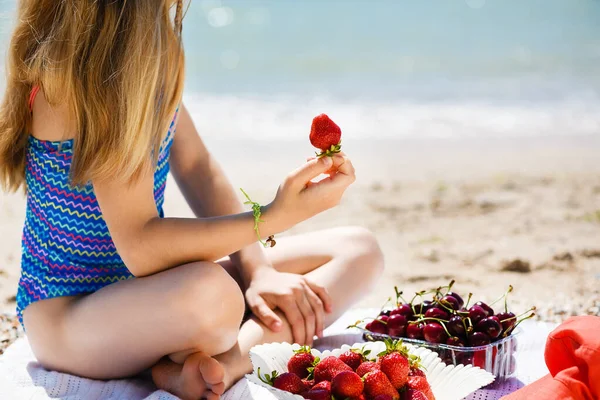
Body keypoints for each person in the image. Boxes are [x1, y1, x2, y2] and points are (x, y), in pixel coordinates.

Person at [0, 1, 384, 399]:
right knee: (215, 295)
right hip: (68, 320)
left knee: (358, 250)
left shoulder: (152, 48)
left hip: (144, 292)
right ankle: (190, 360)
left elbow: (197, 166)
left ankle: (220, 365)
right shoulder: (85, 77)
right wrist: (271, 217)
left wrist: (257, 271)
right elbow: (142, 246)